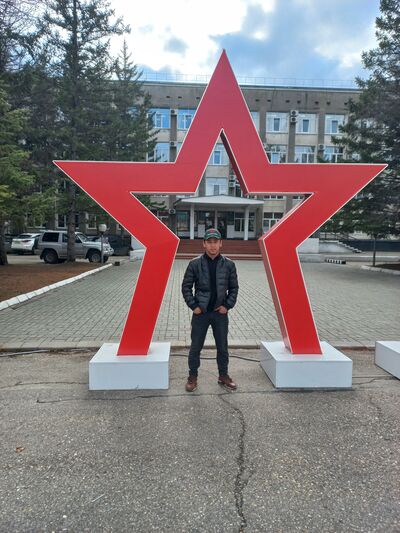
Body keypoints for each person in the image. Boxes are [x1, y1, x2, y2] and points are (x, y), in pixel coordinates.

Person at [181, 228, 239, 392]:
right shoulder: (194, 264)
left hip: (220, 314)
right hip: (201, 314)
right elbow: (186, 287)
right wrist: (194, 306)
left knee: (222, 347)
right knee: (195, 347)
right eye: (209, 242)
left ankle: (223, 375)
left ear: (221, 244)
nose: (212, 245)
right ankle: (192, 377)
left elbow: (234, 288)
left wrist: (227, 306)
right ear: (204, 244)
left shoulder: (229, 265)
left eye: (215, 242)